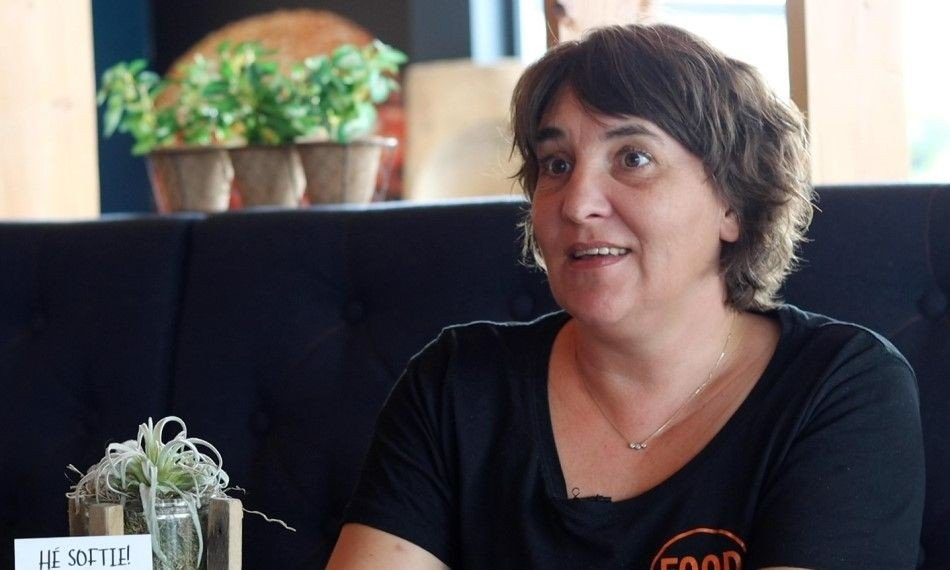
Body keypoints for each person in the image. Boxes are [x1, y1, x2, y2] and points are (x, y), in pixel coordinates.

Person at [327, 24, 925, 569]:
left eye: (633, 158)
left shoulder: (841, 385)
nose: (577, 202)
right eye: (556, 164)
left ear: (734, 203)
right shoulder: (457, 383)